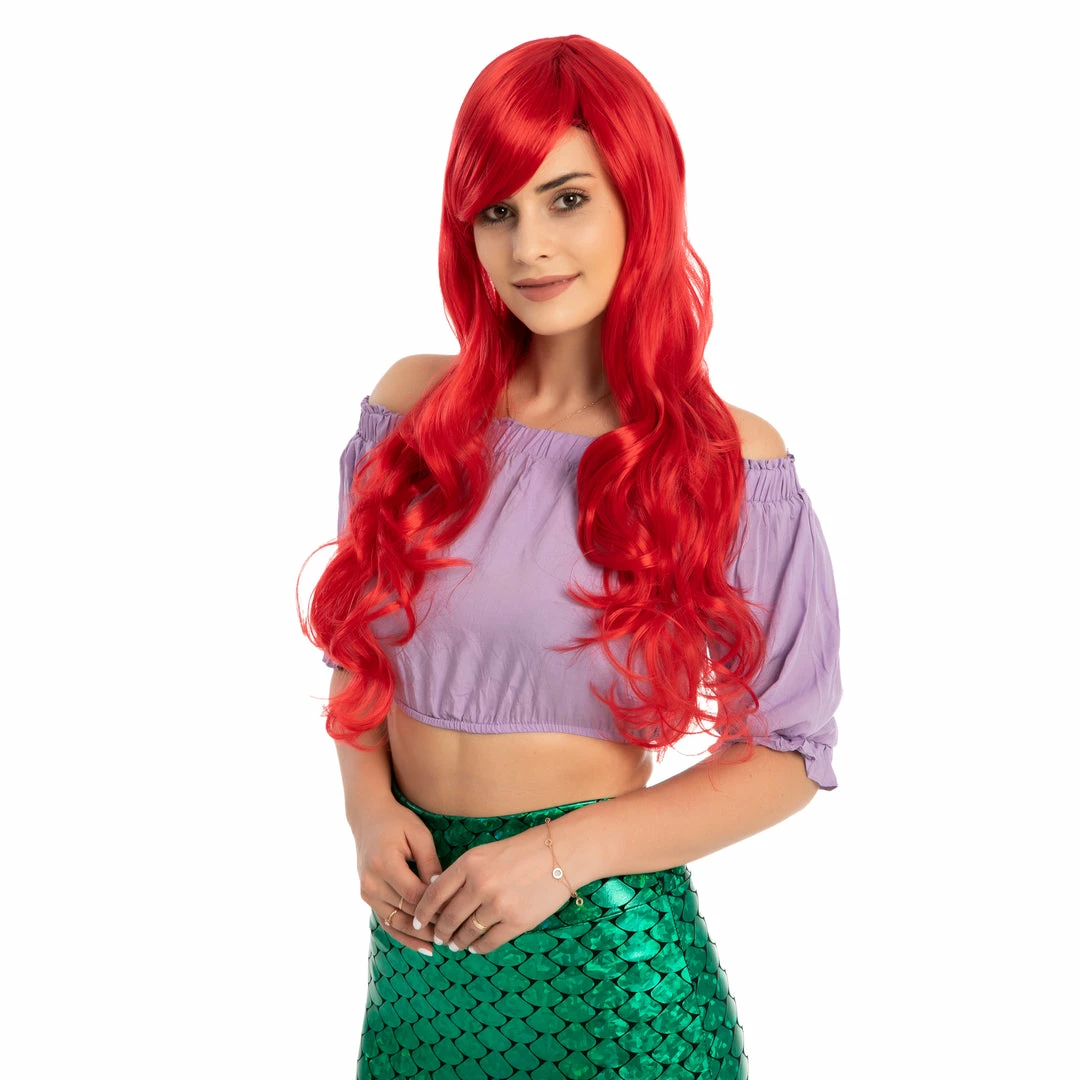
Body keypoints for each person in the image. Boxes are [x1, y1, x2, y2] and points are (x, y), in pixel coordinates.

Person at [301, 33, 841, 1080]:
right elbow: (358, 655)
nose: (529, 248)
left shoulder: (725, 463)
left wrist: (557, 856)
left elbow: (789, 753)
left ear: (642, 200)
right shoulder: (412, 415)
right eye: (497, 211)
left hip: (607, 971)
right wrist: (367, 810)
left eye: (567, 199)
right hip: (417, 976)